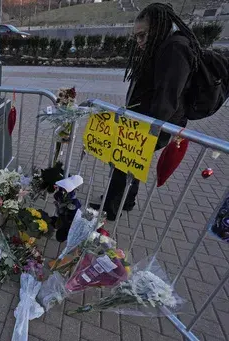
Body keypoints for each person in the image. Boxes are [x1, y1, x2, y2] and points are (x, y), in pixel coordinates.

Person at [90, 3, 202, 220]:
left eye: (142, 36)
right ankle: (126, 200)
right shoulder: (164, 46)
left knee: (123, 160)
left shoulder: (175, 48)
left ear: (159, 28)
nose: (139, 42)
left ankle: (111, 208)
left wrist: (146, 129)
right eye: (137, 37)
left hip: (152, 124)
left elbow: (167, 96)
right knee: (129, 162)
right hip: (144, 120)